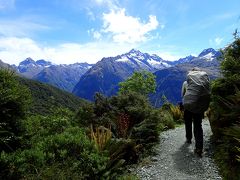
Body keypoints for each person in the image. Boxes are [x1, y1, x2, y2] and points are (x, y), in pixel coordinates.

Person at [182, 68, 210, 157]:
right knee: (198, 126)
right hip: (199, 107)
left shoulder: (186, 83)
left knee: (188, 122)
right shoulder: (204, 83)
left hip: (189, 106)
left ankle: (189, 138)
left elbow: (183, 95)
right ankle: (199, 148)